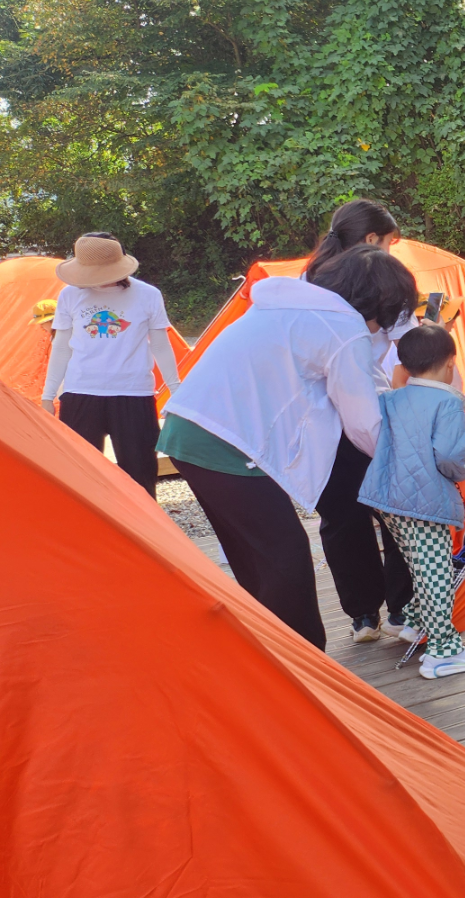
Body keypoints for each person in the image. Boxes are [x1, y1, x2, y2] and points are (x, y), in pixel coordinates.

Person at [159, 244, 416, 648]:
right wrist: (410, 464)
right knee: (286, 560)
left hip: (187, 429)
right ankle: (307, 671)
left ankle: (270, 656)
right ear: (378, 299)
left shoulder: (285, 303)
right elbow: (364, 424)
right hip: (227, 443)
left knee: (255, 560)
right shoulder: (341, 324)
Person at [302, 199, 415, 644]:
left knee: (341, 516)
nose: (392, 252)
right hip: (365, 410)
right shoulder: (384, 280)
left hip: (322, 417)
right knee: (395, 510)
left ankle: (364, 614)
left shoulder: (307, 281)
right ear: (372, 241)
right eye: (390, 243)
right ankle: (399, 609)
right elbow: (409, 355)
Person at [356, 323, 465, 679]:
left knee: (420, 565)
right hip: (424, 501)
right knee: (437, 573)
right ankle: (443, 651)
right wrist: (464, 468)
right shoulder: (447, 401)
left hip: (387, 499)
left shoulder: (390, 398)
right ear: (450, 365)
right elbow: (448, 455)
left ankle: (413, 622)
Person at [40, 234, 182, 497]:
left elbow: (160, 345)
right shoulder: (70, 295)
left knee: (141, 473)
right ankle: (86, 533)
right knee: (81, 474)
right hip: (81, 392)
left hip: (133, 393)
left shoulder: (148, 295)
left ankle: (145, 534)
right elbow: (61, 346)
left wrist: (177, 391)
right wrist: (48, 396)